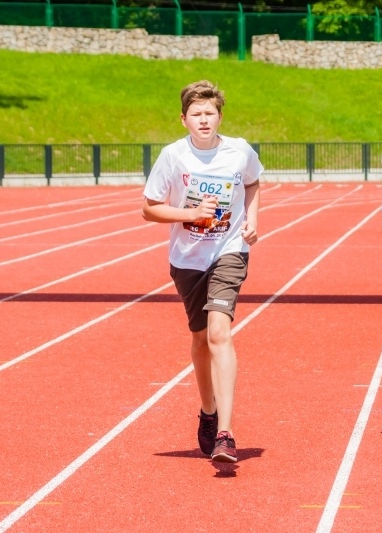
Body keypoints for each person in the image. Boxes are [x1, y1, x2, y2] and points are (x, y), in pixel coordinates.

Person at [141, 80, 262, 463]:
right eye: (196, 114)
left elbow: (254, 181)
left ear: (220, 116)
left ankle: (226, 432)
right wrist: (190, 215)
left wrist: (253, 221)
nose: (204, 119)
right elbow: (149, 207)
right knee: (199, 339)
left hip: (229, 251)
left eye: (210, 113)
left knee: (219, 334)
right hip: (187, 258)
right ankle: (207, 412)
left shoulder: (239, 151)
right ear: (184, 120)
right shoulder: (173, 157)